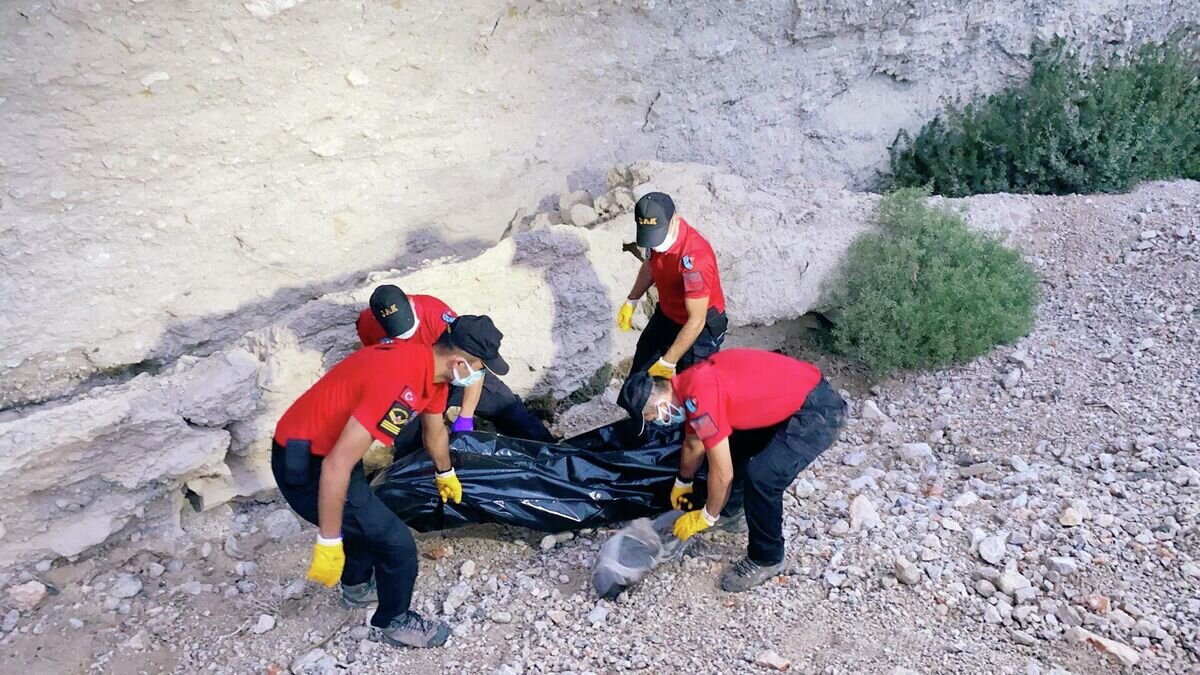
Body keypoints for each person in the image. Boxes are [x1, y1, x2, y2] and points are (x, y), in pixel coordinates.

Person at [271, 315, 511, 648]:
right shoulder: (402, 384)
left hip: (329, 447)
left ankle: (356, 588)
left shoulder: (430, 371)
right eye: (478, 367)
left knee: (365, 522)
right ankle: (395, 622)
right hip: (307, 462)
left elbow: (435, 429)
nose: (477, 376)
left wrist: (446, 473)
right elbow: (336, 466)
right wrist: (328, 540)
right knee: (397, 545)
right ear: (458, 362)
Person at [616, 349, 846, 592]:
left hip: (816, 410)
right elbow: (693, 443)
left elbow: (722, 473)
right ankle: (731, 513)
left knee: (763, 476)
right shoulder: (687, 384)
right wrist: (683, 481)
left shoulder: (700, 401)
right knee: (734, 445)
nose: (653, 423)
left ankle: (766, 557)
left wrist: (706, 515)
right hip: (790, 397)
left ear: (663, 406)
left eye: (650, 418)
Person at [356, 284, 554, 444]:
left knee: (511, 411)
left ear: (411, 304)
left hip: (458, 373)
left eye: (410, 329)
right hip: (417, 384)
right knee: (408, 443)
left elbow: (474, 361)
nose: (406, 337)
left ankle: (554, 455)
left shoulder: (436, 315)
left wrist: (465, 416)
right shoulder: (366, 324)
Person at [616, 192, 728, 380]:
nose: (655, 244)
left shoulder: (694, 259)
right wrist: (632, 299)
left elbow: (696, 320)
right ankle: (640, 409)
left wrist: (668, 362)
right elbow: (651, 264)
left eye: (658, 236)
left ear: (674, 220)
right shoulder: (654, 237)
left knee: (692, 390)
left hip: (699, 326)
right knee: (641, 375)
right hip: (668, 314)